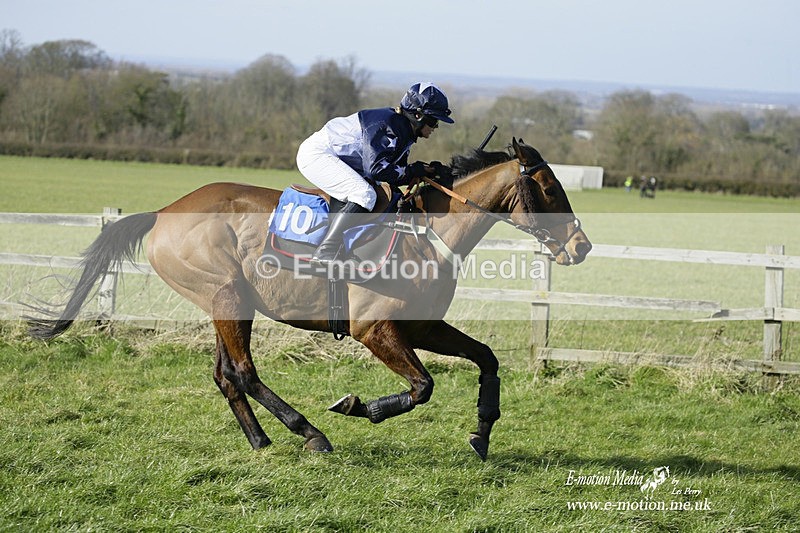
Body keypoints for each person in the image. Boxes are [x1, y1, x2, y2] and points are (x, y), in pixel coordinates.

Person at [296, 82, 454, 264]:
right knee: (365, 195)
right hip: (317, 155)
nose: (436, 127)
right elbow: (377, 171)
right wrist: (412, 170)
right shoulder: (389, 125)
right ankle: (326, 251)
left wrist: (427, 170)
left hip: (340, 158)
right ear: (418, 116)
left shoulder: (403, 130)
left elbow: (396, 173)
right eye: (434, 120)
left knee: (381, 196)